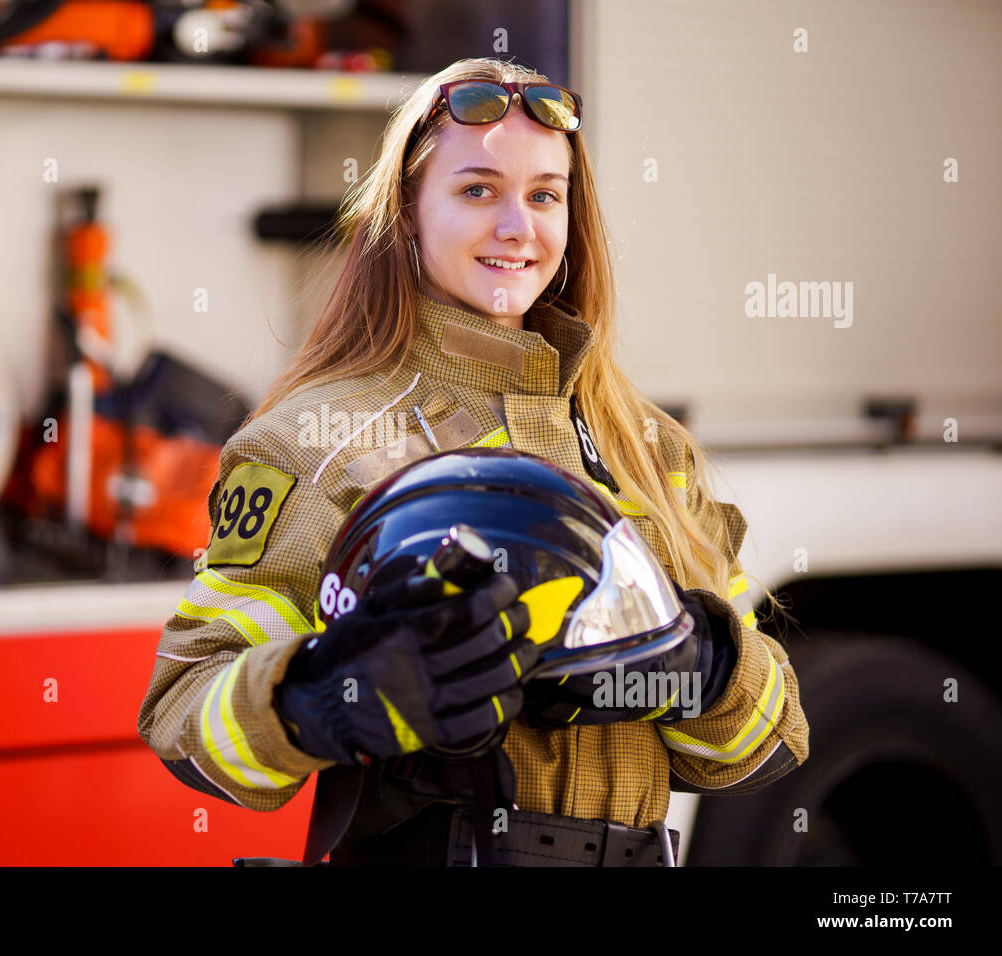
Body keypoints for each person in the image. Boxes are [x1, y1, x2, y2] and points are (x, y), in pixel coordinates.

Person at [137, 57, 809, 866]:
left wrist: (701, 666)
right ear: (409, 213)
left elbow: (768, 742)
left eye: (544, 196)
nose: (517, 228)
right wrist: (332, 693)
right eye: (477, 190)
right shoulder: (316, 438)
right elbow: (185, 714)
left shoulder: (649, 446)